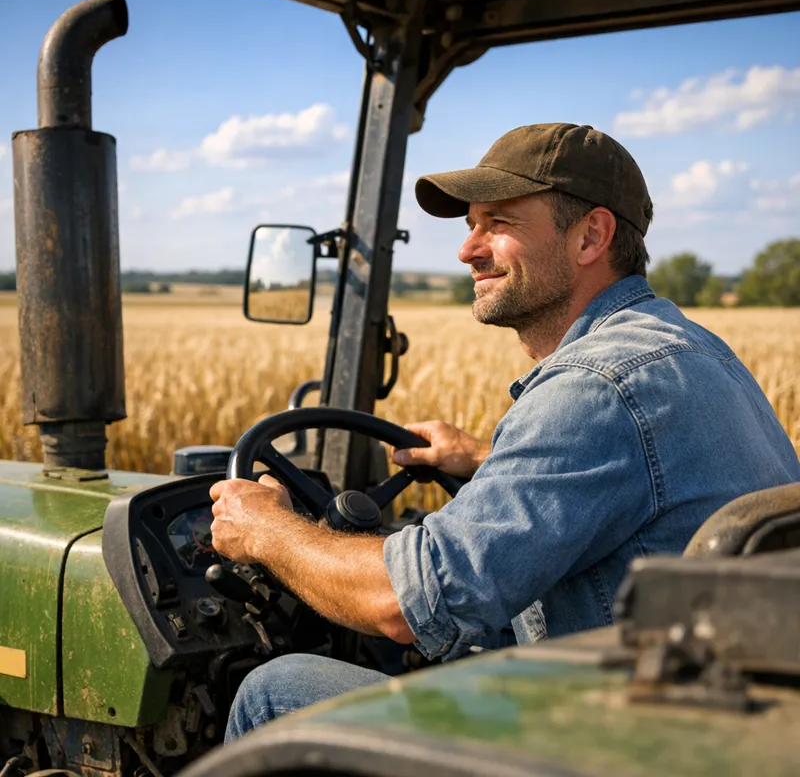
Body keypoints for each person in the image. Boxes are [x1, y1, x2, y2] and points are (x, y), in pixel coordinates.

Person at [212, 123, 800, 740]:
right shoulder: (692, 351)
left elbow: (401, 606)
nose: (468, 250)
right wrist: (485, 459)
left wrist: (266, 530)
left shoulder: (594, 386)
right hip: (715, 723)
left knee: (274, 691)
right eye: (471, 224)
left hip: (608, 740)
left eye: (498, 223)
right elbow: (643, 473)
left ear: (590, 236)